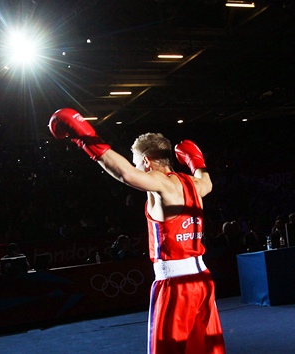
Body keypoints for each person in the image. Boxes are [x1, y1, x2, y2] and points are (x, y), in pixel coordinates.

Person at [49, 108, 225, 354]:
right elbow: (206, 180)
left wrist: (83, 137)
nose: (136, 167)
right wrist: (196, 161)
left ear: (146, 161)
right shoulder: (196, 185)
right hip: (203, 282)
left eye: (136, 161)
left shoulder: (161, 185)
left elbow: (124, 173)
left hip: (176, 285)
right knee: (204, 349)